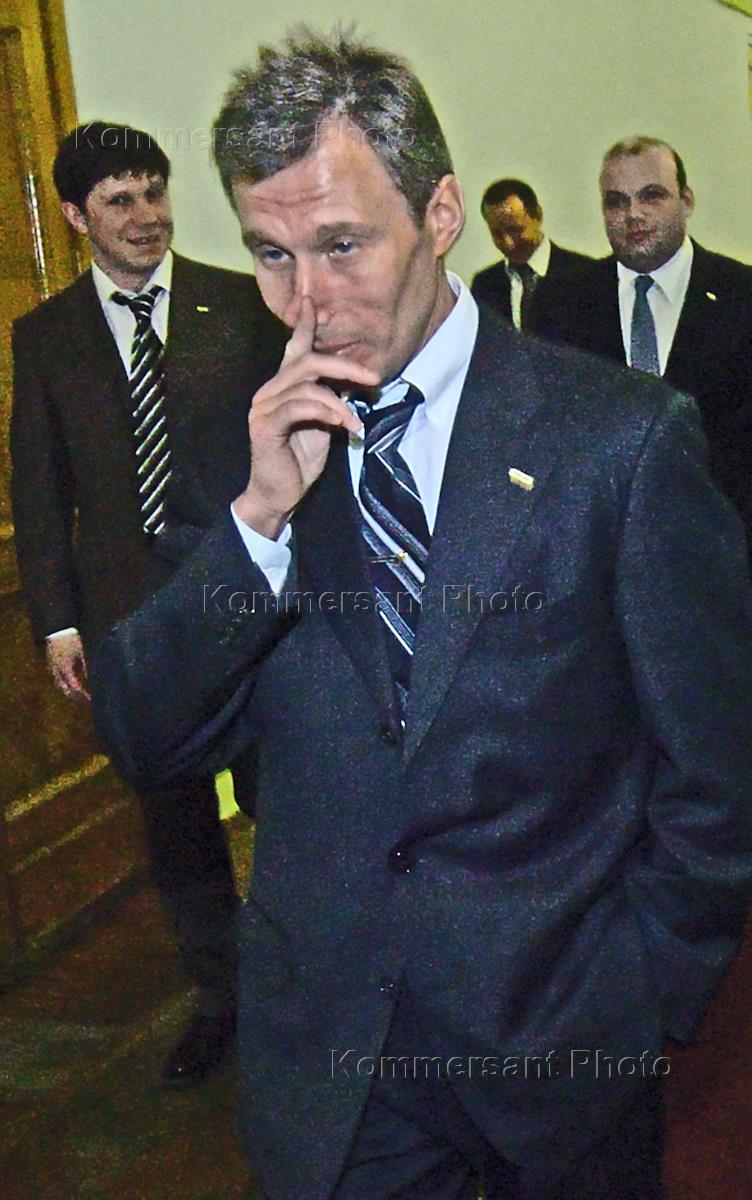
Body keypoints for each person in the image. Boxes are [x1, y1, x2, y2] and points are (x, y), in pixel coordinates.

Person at [91, 33, 752, 1200]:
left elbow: (716, 766)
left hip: (563, 1038)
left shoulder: (617, 441)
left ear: (439, 212)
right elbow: (147, 733)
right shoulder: (235, 444)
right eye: (270, 253)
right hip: (335, 1066)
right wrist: (258, 521)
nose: (306, 300)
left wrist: (643, 985)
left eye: (341, 244)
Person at [10, 122, 286, 1087]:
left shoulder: (241, 304)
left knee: (284, 800)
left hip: (248, 604)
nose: (145, 216)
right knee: (176, 824)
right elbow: (40, 492)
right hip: (133, 627)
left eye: (154, 192)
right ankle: (221, 998)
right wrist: (59, 622)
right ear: (76, 215)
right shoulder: (45, 338)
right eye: (119, 200)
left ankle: (306, 980)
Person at [548, 136, 752, 530]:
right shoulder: (563, 303)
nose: (633, 214)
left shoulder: (741, 296)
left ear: (686, 201)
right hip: (604, 548)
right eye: (616, 202)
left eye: (652, 196)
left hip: (724, 542)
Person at [471, 178, 591, 332]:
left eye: (515, 230)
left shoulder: (584, 275)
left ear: (538, 216)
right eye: (497, 234)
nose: (508, 243)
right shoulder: (484, 285)